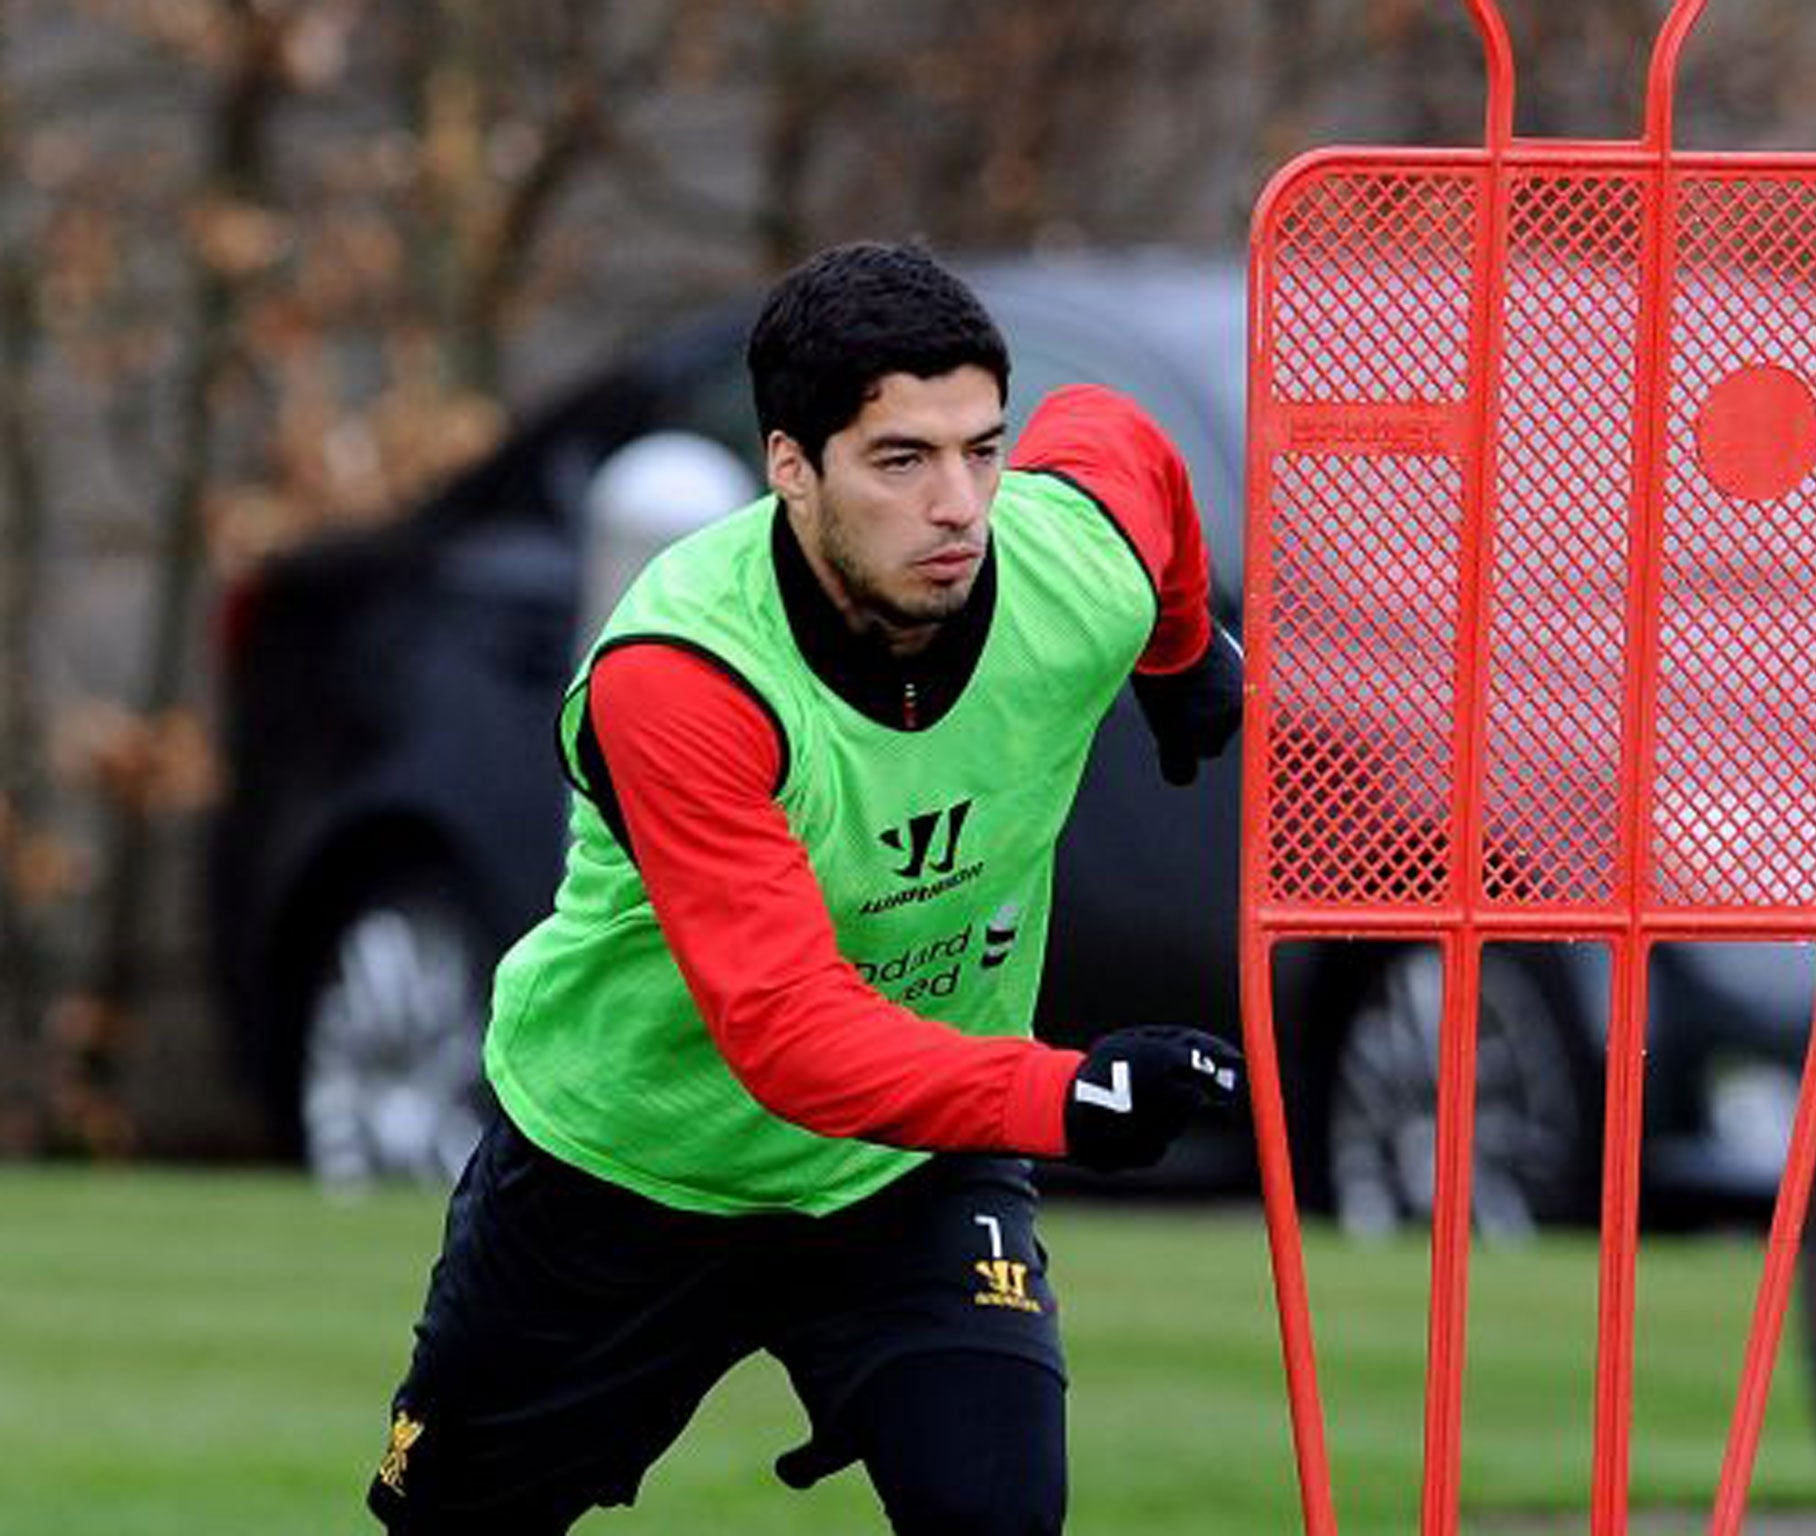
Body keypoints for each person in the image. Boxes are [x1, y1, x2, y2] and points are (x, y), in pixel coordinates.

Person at [366, 241, 1247, 1535]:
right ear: (791, 466)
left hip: (909, 1170)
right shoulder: (681, 676)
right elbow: (791, 1036)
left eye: (980, 449)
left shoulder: (1069, 569)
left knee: (994, 1516)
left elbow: (1120, 442)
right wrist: (1073, 1092)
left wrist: (1179, 652)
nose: (959, 504)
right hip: (626, 1170)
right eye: (901, 460)